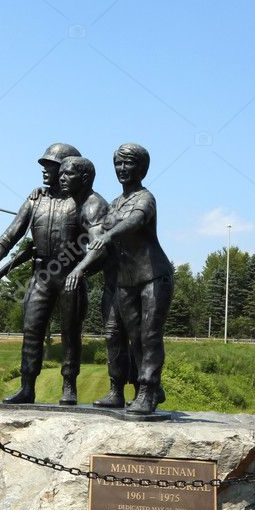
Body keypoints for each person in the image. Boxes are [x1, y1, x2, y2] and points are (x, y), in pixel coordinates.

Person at [67, 143, 172, 414]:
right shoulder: (114, 205)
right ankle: (117, 390)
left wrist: (109, 234)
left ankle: (148, 390)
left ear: (142, 169)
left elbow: (135, 222)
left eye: (129, 164)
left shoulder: (144, 199)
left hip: (153, 276)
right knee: (118, 334)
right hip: (125, 280)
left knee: (147, 336)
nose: (123, 169)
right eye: (119, 164)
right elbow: (97, 236)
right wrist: (83, 255)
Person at [0, 143, 87, 405]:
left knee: (70, 333)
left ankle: (69, 387)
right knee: (32, 331)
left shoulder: (81, 201)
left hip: (69, 275)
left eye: (51, 166)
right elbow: (11, 233)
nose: (45, 170)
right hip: (40, 275)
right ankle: (26, 387)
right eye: (44, 165)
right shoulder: (35, 199)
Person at [57, 156, 134, 408]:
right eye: (60, 174)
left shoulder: (92, 206)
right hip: (115, 278)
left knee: (120, 335)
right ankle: (127, 390)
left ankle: (146, 387)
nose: (61, 178)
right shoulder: (78, 202)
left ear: (85, 179)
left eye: (67, 174)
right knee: (115, 335)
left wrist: (79, 270)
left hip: (123, 278)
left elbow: (99, 247)